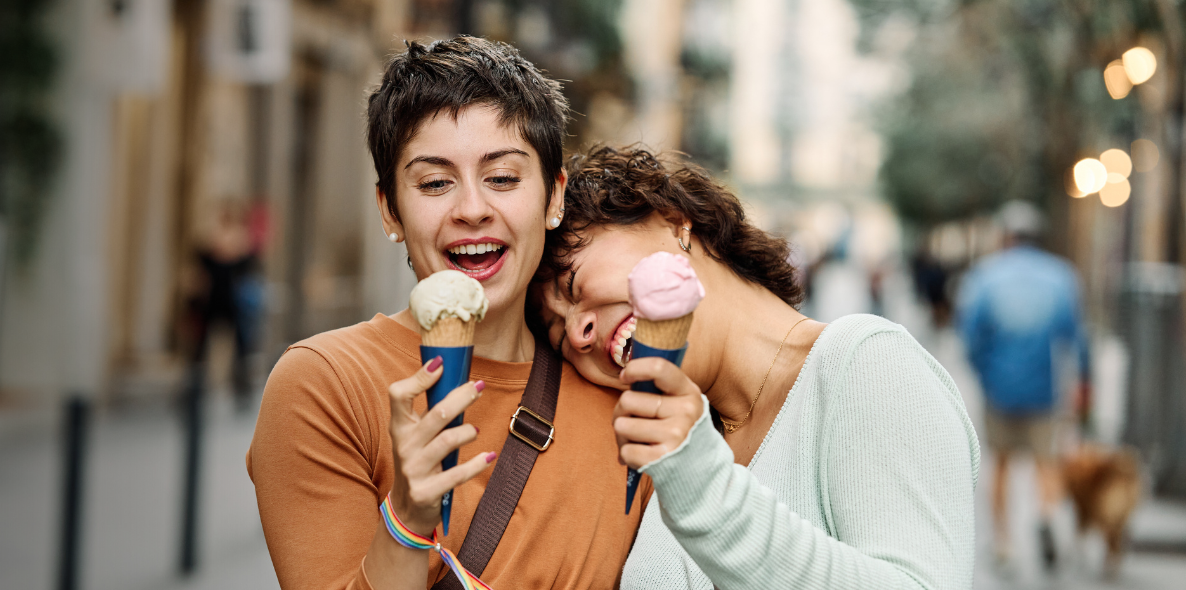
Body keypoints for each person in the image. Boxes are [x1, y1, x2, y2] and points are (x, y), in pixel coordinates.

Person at [246, 38, 651, 590]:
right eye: (435, 183)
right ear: (390, 209)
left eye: (503, 178)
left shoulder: (624, 396)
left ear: (554, 197)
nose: (472, 209)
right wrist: (409, 521)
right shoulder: (325, 385)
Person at [533, 145, 979, 589]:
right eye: (557, 335)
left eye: (572, 282)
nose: (577, 334)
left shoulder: (866, 364)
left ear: (672, 222)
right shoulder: (675, 445)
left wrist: (703, 488)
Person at [957, 199, 1089, 572]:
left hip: (999, 388)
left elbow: (969, 336)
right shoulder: (1061, 276)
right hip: (1043, 389)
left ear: (1006, 236)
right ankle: (1045, 517)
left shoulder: (985, 276)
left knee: (999, 463)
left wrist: (984, 373)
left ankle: (1003, 544)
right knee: (1045, 463)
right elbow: (1077, 338)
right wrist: (1084, 383)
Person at [187, 199, 261, 411]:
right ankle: (194, 390)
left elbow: (249, 269)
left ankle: (240, 392)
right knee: (200, 346)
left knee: (240, 348)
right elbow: (199, 271)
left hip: (234, 303)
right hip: (212, 301)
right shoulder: (211, 245)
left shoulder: (242, 245)